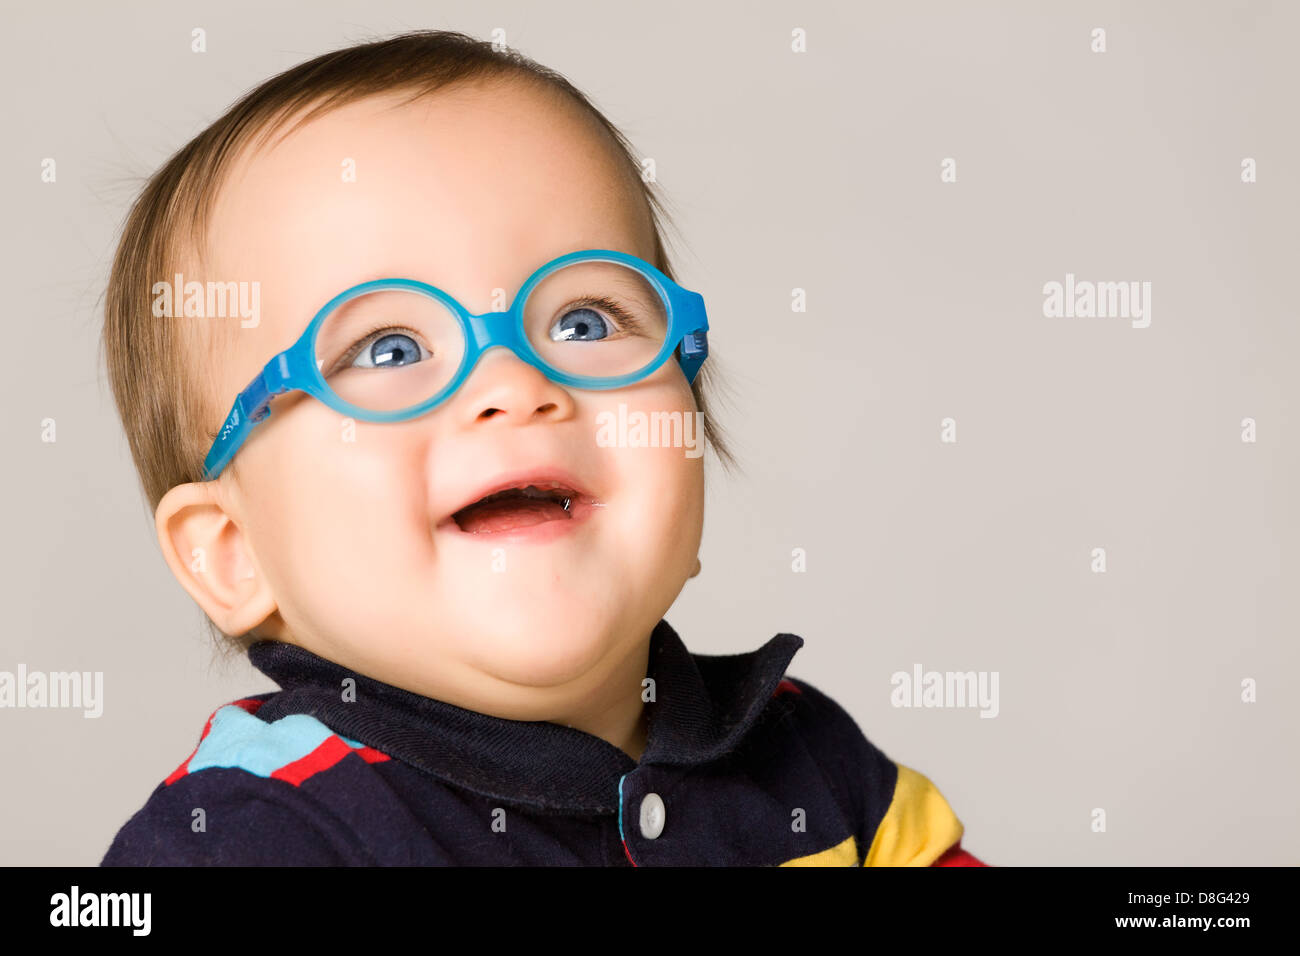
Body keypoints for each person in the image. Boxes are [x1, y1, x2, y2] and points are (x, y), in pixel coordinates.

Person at [99, 30, 985, 866]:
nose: (517, 385)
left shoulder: (813, 766)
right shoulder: (251, 839)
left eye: (584, 320)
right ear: (233, 552)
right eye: (389, 350)